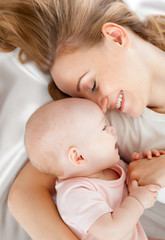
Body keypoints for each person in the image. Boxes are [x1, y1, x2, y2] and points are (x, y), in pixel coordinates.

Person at [0, 0, 165, 239]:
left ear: (116, 37)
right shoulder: (108, 127)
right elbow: (25, 194)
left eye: (92, 85)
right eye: (81, 97)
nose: (98, 104)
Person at [25, 97, 162, 240]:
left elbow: (136, 184)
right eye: (103, 127)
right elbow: (112, 231)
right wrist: (137, 201)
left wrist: (144, 163)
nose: (111, 128)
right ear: (79, 157)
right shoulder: (75, 195)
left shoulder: (112, 167)